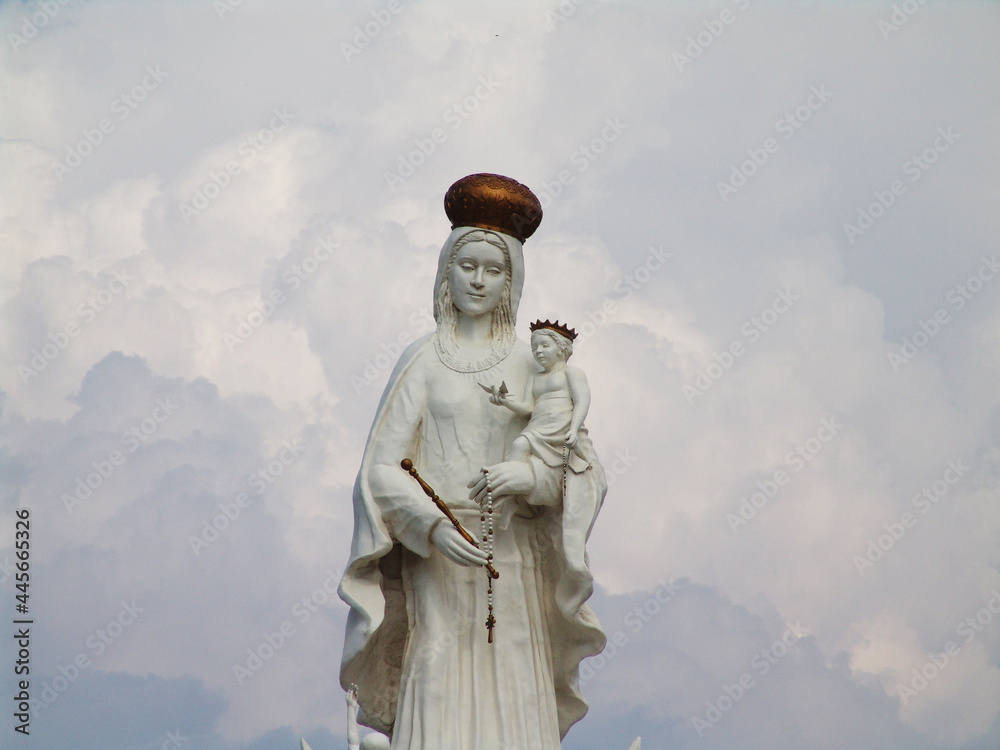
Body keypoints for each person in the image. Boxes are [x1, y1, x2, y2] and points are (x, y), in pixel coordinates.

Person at [338, 174, 607, 750]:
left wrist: (531, 476)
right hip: (437, 557)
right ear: (445, 271)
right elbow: (381, 469)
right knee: (435, 664)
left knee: (511, 666)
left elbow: (576, 465)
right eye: (468, 266)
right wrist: (432, 526)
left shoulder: (533, 364)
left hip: (510, 554)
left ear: (512, 279)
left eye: (494, 269)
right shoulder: (423, 360)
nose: (479, 281)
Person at [488, 320, 593, 472]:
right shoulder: (534, 378)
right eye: (534, 347)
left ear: (561, 348)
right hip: (538, 426)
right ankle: (509, 481)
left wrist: (574, 429)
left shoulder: (571, 373)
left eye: (545, 346)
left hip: (561, 426)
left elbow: (582, 401)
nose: (538, 351)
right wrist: (505, 402)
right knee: (519, 445)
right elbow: (527, 408)